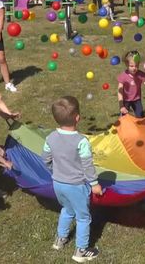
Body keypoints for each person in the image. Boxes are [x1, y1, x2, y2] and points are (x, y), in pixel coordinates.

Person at [41, 96, 102, 262]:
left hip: (58, 184)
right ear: (78, 117)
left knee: (67, 210)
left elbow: (45, 159)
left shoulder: (50, 138)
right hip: (76, 186)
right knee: (83, 217)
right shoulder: (81, 141)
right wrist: (95, 184)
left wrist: (56, 171)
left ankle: (60, 240)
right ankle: (81, 251)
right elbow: (88, 166)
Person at [117, 50, 145, 118]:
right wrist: (121, 106)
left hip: (137, 100)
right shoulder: (123, 76)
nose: (134, 68)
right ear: (126, 64)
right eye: (131, 66)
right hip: (126, 100)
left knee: (140, 117)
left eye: (136, 65)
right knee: (124, 118)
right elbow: (119, 91)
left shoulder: (141, 75)